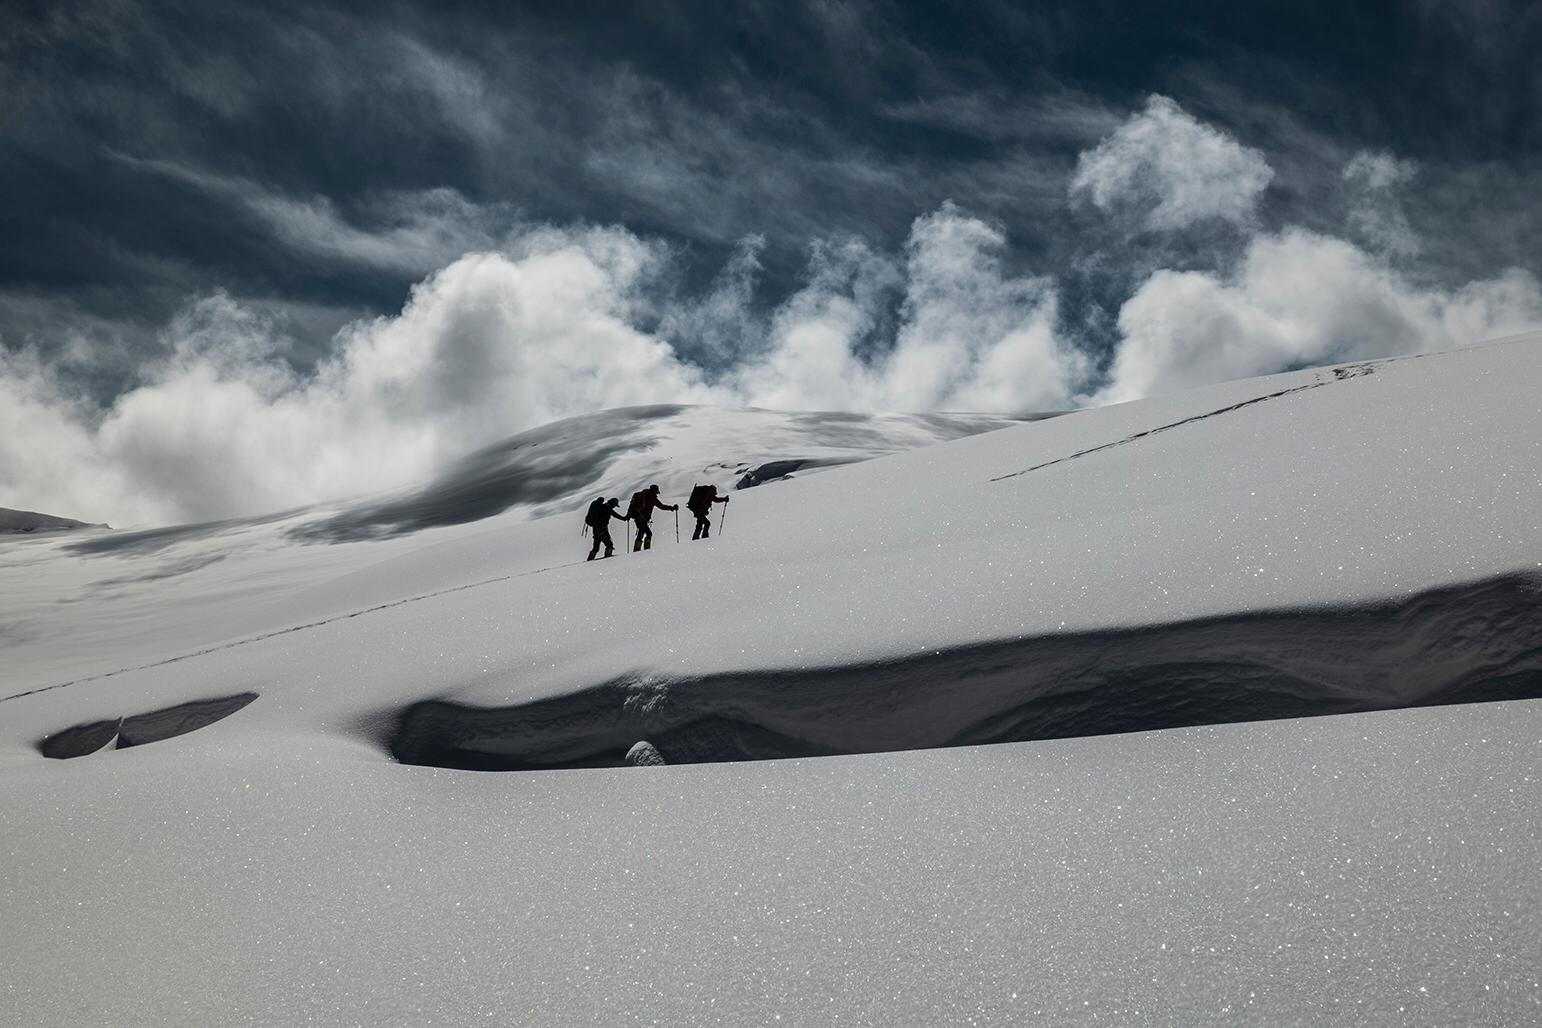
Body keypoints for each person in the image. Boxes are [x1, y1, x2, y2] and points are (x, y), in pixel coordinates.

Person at [625, 484, 677, 551]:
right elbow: (662, 506)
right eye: (656, 492)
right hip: (642, 518)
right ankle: (642, 550)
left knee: (643, 533)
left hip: (638, 517)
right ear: (654, 491)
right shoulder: (652, 498)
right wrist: (672, 508)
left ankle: (638, 550)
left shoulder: (643, 494)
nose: (657, 494)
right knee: (647, 534)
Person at [584, 496, 628, 561]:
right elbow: (615, 515)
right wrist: (624, 518)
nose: (614, 507)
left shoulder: (602, 506)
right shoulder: (608, 508)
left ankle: (590, 559)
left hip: (595, 530)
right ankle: (607, 559)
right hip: (602, 530)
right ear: (612, 503)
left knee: (596, 548)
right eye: (615, 505)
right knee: (609, 545)